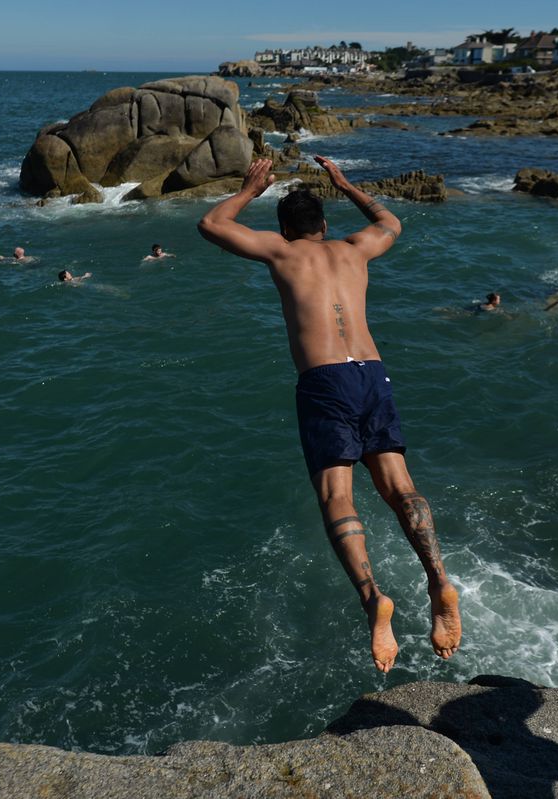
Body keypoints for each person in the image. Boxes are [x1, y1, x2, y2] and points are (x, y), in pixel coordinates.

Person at [197, 155, 462, 673]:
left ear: (285, 228)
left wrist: (250, 188)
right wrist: (347, 184)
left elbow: (211, 224)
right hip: (372, 374)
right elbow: (391, 223)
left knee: (336, 495)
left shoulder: (280, 251)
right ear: (324, 225)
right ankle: (438, 579)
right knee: (400, 487)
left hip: (325, 381)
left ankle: (373, 599)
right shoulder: (354, 250)